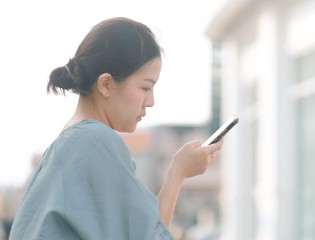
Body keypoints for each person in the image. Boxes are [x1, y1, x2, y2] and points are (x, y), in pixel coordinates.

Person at [9, 17, 223, 240]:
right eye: (145, 87)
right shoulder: (95, 141)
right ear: (106, 84)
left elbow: (141, 231)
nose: (151, 101)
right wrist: (177, 172)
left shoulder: (69, 145)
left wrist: (177, 174)